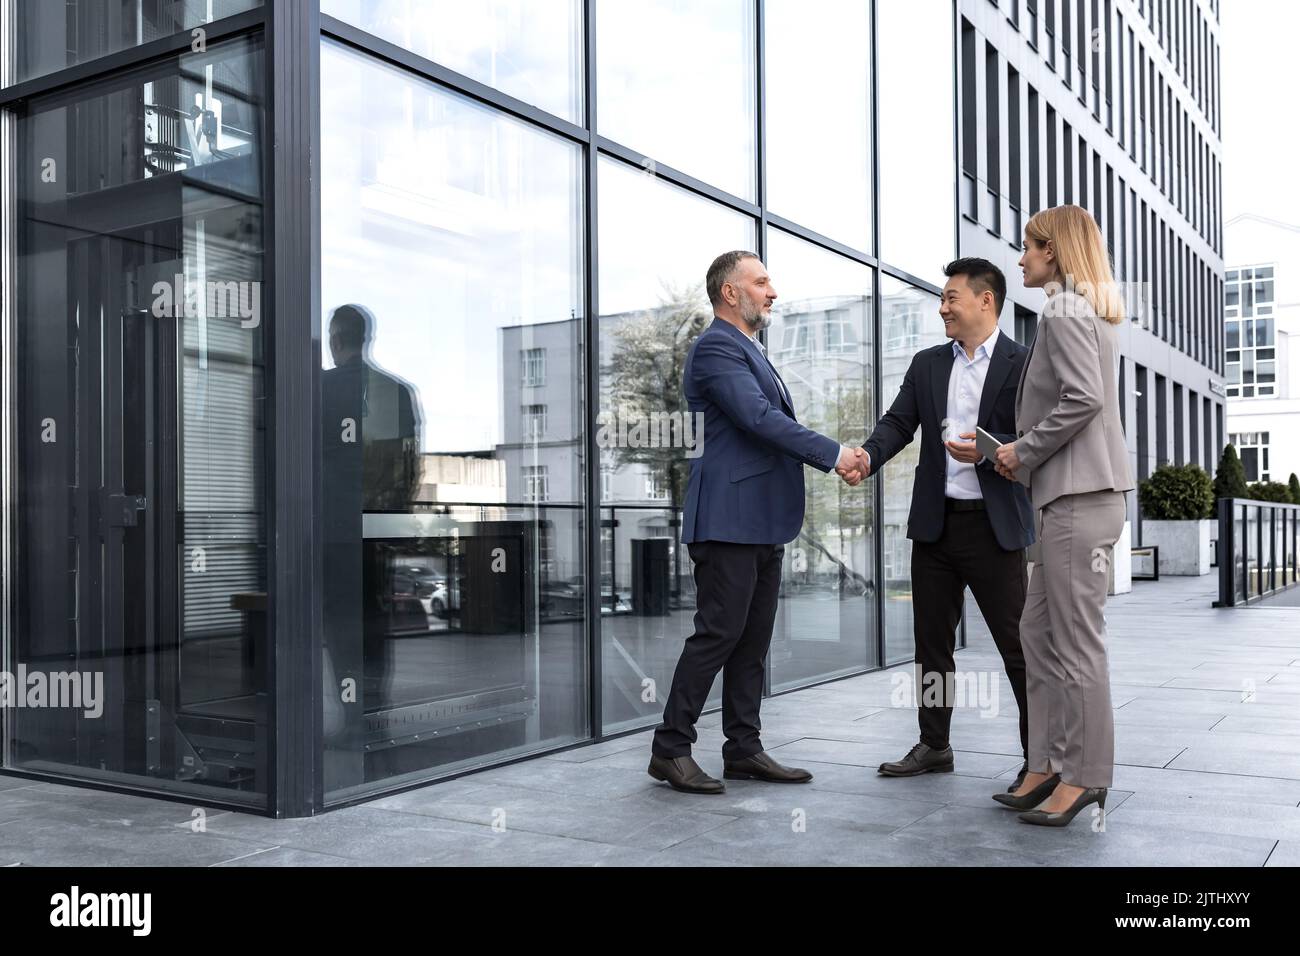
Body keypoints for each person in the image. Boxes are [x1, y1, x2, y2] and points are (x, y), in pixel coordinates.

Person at [647, 250, 869, 794]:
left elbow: (766, 423)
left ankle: (743, 749)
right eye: (762, 281)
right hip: (727, 521)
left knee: (752, 641)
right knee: (718, 635)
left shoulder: (751, 350)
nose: (773, 291)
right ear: (731, 292)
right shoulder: (716, 347)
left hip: (762, 522)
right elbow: (757, 418)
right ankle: (670, 748)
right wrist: (835, 453)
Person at [856, 258, 1035, 790]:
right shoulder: (928, 363)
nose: (942, 308)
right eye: (941, 298)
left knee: (1018, 649)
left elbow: (1039, 435)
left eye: (951, 297)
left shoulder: (1023, 363)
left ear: (986, 300)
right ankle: (934, 745)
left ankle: (1039, 758)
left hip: (995, 528)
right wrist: (866, 457)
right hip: (935, 528)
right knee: (931, 646)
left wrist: (991, 453)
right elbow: (898, 422)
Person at [990, 205, 1135, 827]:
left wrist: (1020, 450)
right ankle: (1046, 762)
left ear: (1052, 252)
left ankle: (1085, 776)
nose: (1019, 258)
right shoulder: (1079, 308)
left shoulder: (1065, 308)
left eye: (1027, 247)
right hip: (1065, 498)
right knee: (1039, 635)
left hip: (1079, 498)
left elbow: (1084, 399)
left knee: (1075, 644)